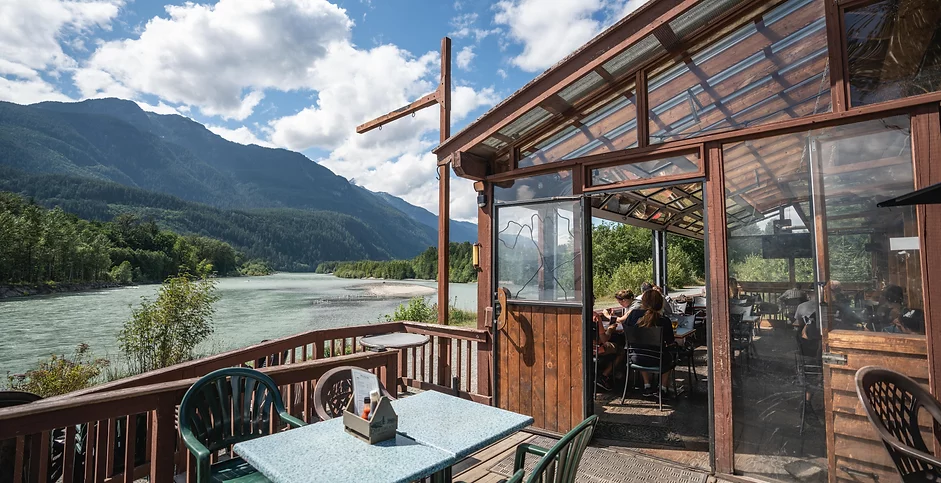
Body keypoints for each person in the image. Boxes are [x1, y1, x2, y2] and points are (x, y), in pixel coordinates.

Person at [625, 290, 676, 397]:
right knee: (670, 355)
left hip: (635, 358)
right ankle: (662, 388)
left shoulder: (633, 315)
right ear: (660, 303)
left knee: (642, 347)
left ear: (643, 302)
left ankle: (647, 385)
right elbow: (670, 342)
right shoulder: (664, 320)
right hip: (657, 359)